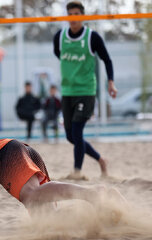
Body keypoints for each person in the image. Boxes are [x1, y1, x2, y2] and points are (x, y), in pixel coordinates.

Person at [53, 1, 118, 179]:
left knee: (77, 131)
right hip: (67, 91)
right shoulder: (59, 37)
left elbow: (107, 59)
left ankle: (77, 172)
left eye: (76, 14)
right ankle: (100, 159)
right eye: (70, 14)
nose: (73, 18)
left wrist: (110, 82)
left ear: (82, 16)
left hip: (86, 91)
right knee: (70, 136)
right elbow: (58, 54)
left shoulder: (92, 37)